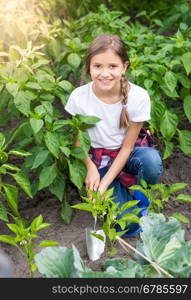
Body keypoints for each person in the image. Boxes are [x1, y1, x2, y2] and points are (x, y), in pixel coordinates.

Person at [65, 34, 163, 236]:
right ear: (89, 68)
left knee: (151, 161)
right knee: (129, 227)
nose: (105, 73)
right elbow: (78, 142)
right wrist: (90, 168)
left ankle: (139, 197)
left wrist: (105, 184)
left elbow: (127, 147)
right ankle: (120, 196)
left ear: (124, 67)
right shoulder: (80, 97)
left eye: (112, 66)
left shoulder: (138, 96)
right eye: (98, 66)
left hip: (127, 155)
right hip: (97, 159)